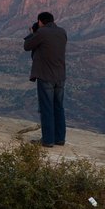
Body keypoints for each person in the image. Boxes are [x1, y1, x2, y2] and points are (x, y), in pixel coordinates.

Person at [23, 11, 67, 147]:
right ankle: (60, 138)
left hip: (46, 76)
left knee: (46, 108)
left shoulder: (41, 33)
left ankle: (48, 140)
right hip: (60, 76)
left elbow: (27, 46)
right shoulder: (62, 32)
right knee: (58, 107)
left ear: (41, 21)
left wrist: (32, 33)